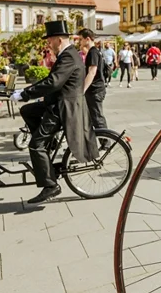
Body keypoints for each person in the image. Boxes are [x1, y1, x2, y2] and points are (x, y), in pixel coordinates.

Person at [12, 20, 97, 204]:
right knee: (28, 110)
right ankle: (47, 145)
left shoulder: (68, 57)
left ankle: (51, 186)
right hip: (57, 102)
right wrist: (26, 94)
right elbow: (51, 80)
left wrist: (25, 93)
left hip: (63, 107)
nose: (48, 44)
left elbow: (53, 82)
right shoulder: (68, 54)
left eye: (50, 41)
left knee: (35, 145)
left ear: (59, 40)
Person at [79, 29, 111, 150]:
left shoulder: (93, 52)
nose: (80, 42)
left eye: (81, 39)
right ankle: (102, 142)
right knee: (94, 117)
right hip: (97, 89)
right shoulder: (96, 51)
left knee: (97, 117)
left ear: (87, 39)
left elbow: (92, 72)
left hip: (95, 90)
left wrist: (82, 90)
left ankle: (106, 143)